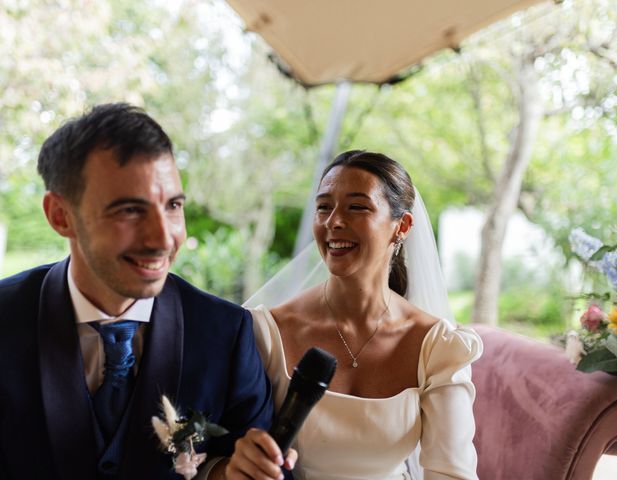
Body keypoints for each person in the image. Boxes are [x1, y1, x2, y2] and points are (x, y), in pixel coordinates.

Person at [0, 103, 278, 480]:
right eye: (130, 210)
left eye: (173, 206)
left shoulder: (225, 334)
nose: (164, 239)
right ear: (60, 216)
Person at [226, 150, 483, 480]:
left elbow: (452, 473)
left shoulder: (437, 346)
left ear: (401, 226)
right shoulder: (266, 332)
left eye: (357, 206)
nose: (333, 221)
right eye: (323, 207)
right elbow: (222, 459)